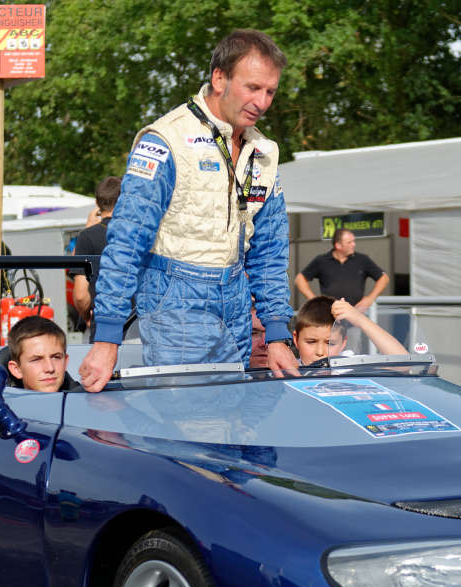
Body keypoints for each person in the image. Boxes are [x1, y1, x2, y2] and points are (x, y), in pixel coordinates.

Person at [79, 29, 298, 391]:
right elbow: (126, 243)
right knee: (187, 428)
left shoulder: (264, 153)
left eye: (270, 91)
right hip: (175, 301)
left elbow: (271, 250)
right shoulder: (165, 141)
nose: (262, 102)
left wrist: (276, 332)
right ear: (219, 78)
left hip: (236, 300)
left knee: (233, 427)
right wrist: (107, 338)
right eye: (252, 87)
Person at [69, 176, 122, 338]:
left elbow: (80, 295)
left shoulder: (87, 237)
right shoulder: (140, 234)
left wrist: (87, 317)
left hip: (103, 323)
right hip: (138, 324)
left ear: (97, 204)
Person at [291, 295, 406, 365]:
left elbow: (403, 363)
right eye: (311, 342)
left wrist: (360, 319)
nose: (320, 352)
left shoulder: (351, 365)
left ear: (343, 343)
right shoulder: (287, 370)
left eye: (330, 343)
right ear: (296, 339)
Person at [295, 228, 390, 310]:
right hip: (329, 317)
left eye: (353, 241)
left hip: (355, 317)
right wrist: (315, 301)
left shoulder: (362, 260)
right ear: (338, 246)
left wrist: (370, 299)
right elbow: (300, 279)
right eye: (349, 242)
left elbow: (384, 278)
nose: (354, 244)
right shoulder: (321, 260)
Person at [5, 315, 79, 392]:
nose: (50, 368)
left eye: (56, 357)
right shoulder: (2, 403)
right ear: (16, 369)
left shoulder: (83, 400)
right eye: (36, 360)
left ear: (65, 362)